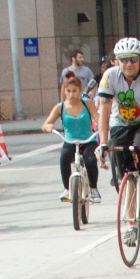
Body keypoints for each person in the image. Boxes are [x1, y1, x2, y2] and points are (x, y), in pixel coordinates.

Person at [95, 35, 140, 193]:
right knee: (122, 172)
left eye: (133, 59)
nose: (128, 64)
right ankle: (131, 216)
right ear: (117, 60)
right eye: (123, 60)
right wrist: (102, 143)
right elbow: (104, 116)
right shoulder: (109, 76)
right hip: (119, 124)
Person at [44, 73, 99, 202]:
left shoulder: (87, 104)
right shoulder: (60, 107)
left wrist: (103, 128)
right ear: (64, 90)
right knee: (64, 157)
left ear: (80, 90)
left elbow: (98, 120)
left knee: (90, 160)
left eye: (74, 91)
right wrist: (48, 127)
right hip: (70, 141)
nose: (71, 94)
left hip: (87, 140)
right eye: (68, 91)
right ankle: (67, 189)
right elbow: (45, 124)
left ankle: (94, 189)